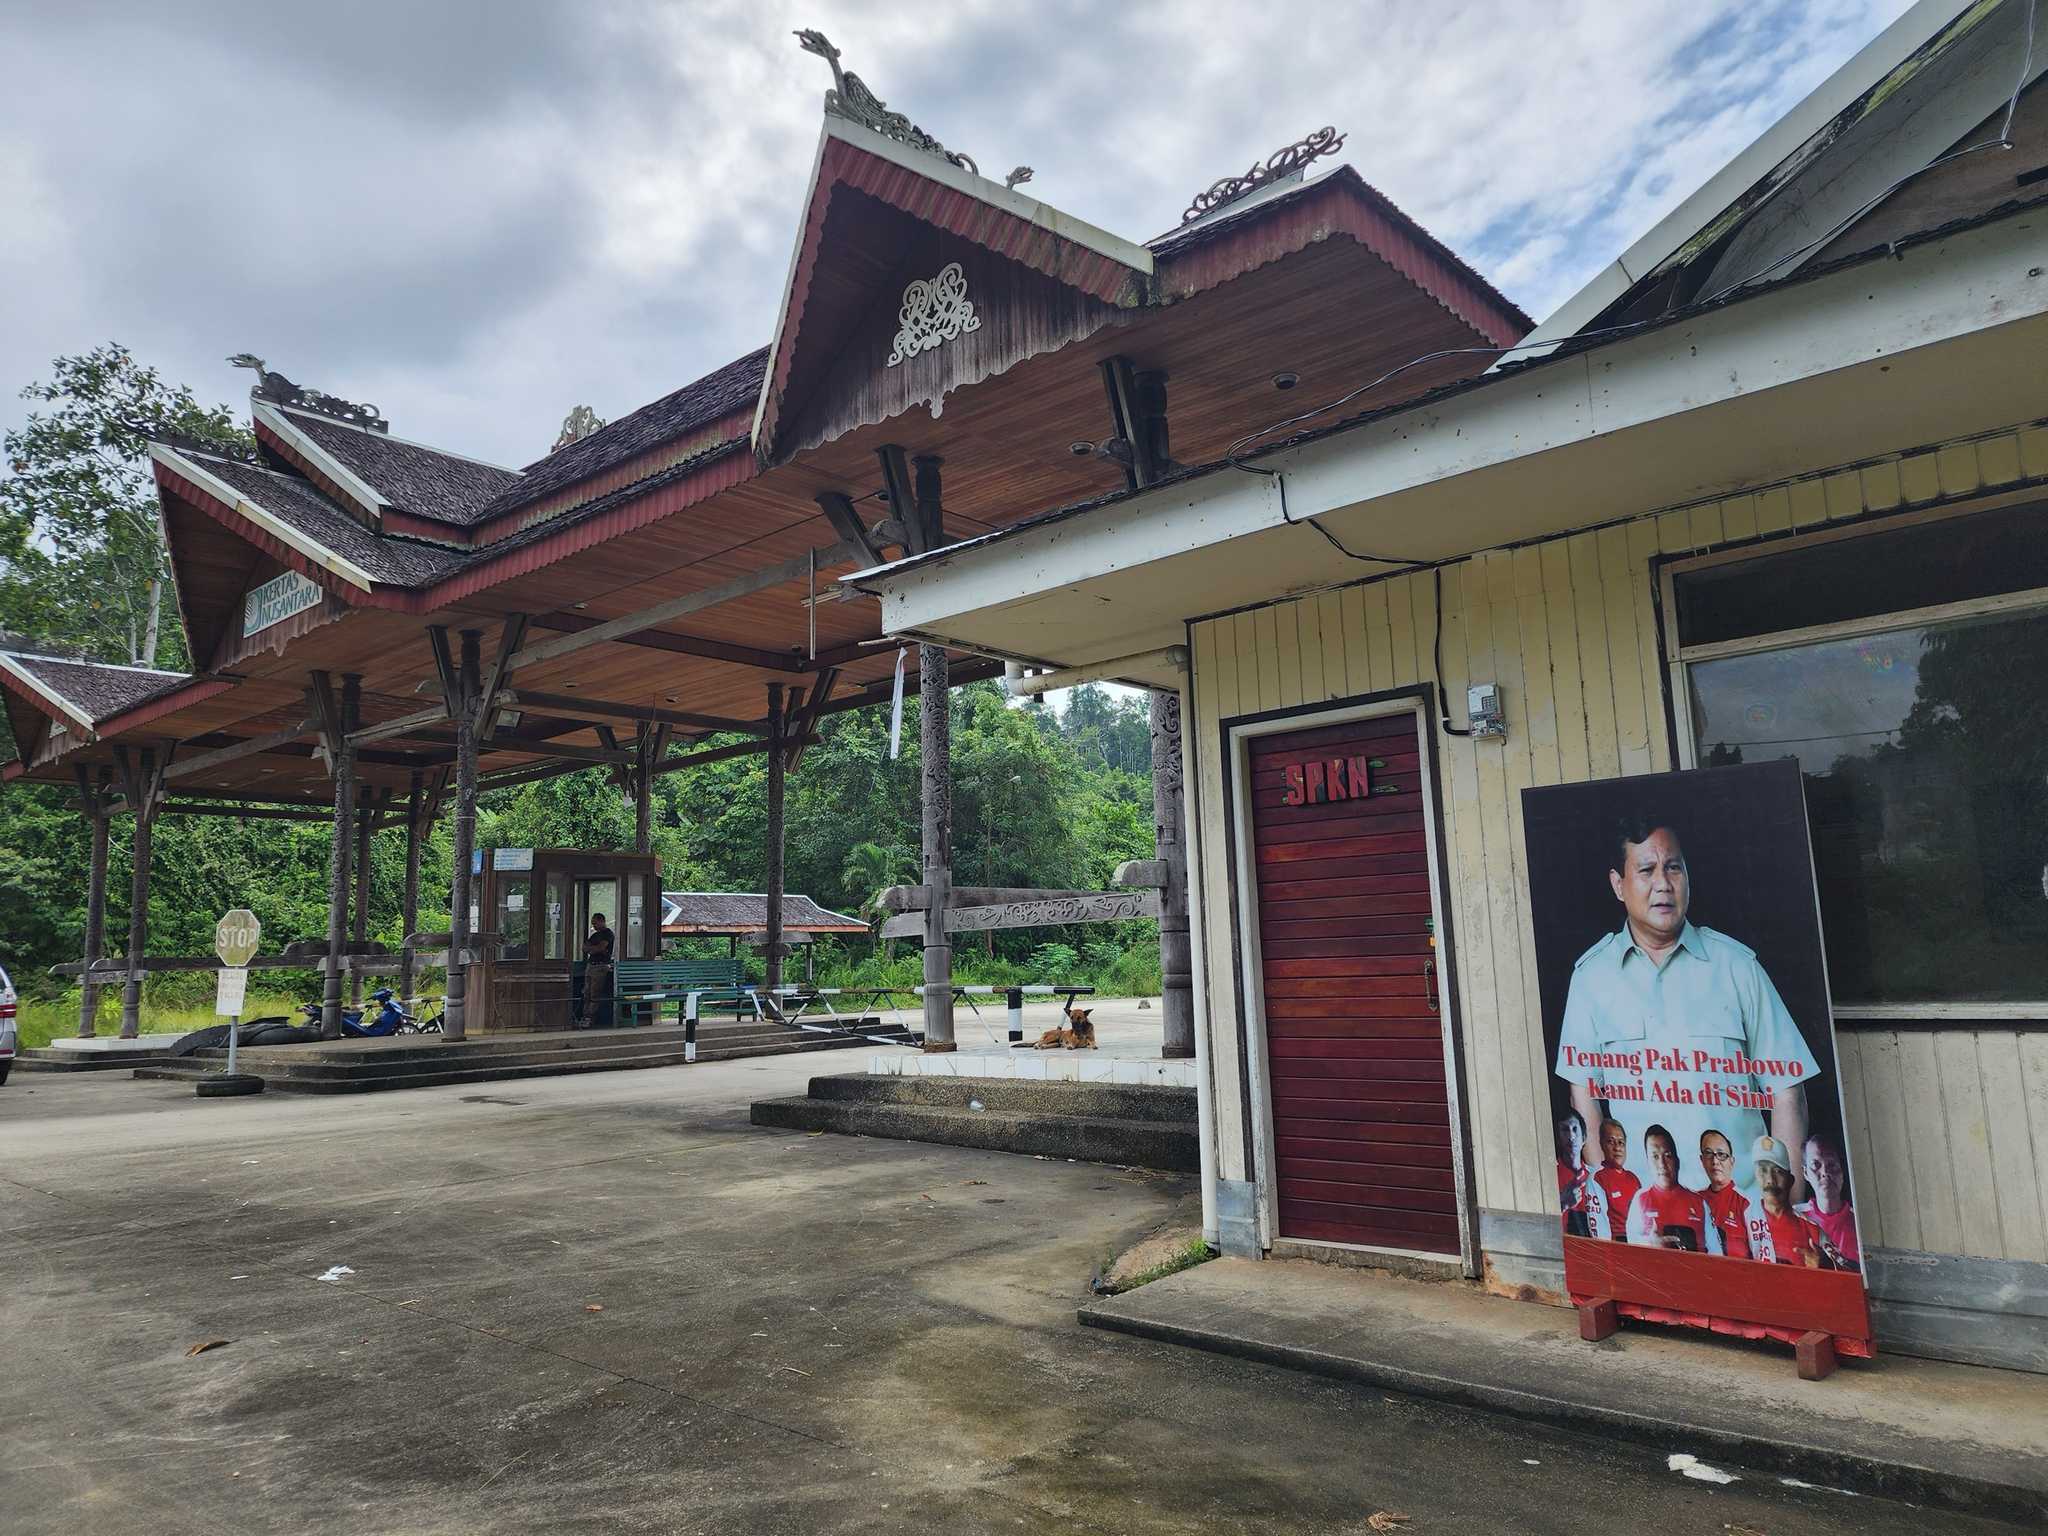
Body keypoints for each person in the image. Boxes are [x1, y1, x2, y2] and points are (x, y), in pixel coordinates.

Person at [1555, 817, 1819, 1202]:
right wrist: (1610, 1203)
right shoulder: (1591, 978)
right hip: (1643, 1217)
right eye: (1646, 870)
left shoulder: (1736, 967)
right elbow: (1585, 1100)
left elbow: (1787, 1091)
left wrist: (1786, 1211)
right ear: (1618, 885)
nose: (1663, 883)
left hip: (1746, 1212)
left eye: (1673, 867)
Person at [1624, 1123, 1721, 1253]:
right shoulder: (1640, 1199)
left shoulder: (1699, 1202)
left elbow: (1716, 1252)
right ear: (1647, 1162)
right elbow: (1630, 1246)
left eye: (1667, 1155)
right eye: (1655, 1157)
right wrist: (1650, 1245)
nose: (1662, 1164)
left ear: (1677, 1161)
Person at [1745, 1135, 1830, 1267]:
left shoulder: (1812, 1230)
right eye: (1763, 1170)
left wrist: (1825, 1264)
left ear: (1790, 1181)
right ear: (1755, 1176)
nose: (1770, 1180)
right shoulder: (1741, 1219)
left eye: (1778, 1171)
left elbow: (1847, 1270)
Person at [1797, 1133, 1861, 1271]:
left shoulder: (1861, 1223)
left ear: (1843, 1170)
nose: (1825, 1172)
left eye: (1831, 1164)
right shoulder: (1794, 1216)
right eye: (1816, 1165)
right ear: (1805, 1173)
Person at [1555, 1109, 1610, 1239]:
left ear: (1584, 1138)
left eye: (1575, 1129)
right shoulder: (1548, 1175)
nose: (1571, 1136)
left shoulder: (1597, 1178)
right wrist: (1561, 1203)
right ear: (1558, 1138)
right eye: (1565, 1130)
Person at [1697, 1130, 1752, 1259]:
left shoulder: (1747, 1203)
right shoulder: (1695, 1200)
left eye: (1721, 1154)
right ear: (1702, 1160)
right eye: (1708, 1153)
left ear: (1732, 1161)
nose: (1715, 1161)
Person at [1591, 1117, 1640, 1242]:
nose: (1617, 1148)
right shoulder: (1597, 1178)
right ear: (1602, 1144)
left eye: (1621, 1143)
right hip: (1615, 1244)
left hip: (1636, 1242)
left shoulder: (1633, 1179)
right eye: (1611, 1142)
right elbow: (1597, 1226)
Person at [582, 912, 616, 1029]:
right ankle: (585, 1016)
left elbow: (601, 947)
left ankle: (591, 1018)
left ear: (602, 921)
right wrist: (593, 949)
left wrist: (593, 949)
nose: (594, 926)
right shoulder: (595, 935)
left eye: (595, 923)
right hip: (590, 965)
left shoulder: (608, 934)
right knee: (586, 993)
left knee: (594, 993)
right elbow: (585, 948)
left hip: (601, 966)